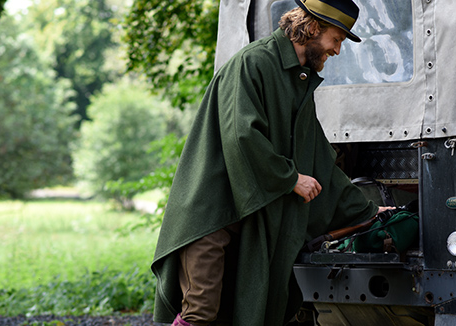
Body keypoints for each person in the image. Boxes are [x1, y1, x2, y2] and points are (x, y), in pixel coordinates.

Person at [150, 0, 392, 325]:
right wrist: (291, 179)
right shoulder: (253, 63)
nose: (337, 50)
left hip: (250, 220)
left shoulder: (298, 81)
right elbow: (242, 136)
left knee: (244, 310)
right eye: (337, 39)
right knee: (202, 312)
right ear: (314, 28)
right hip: (211, 214)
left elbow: (319, 160)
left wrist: (369, 212)